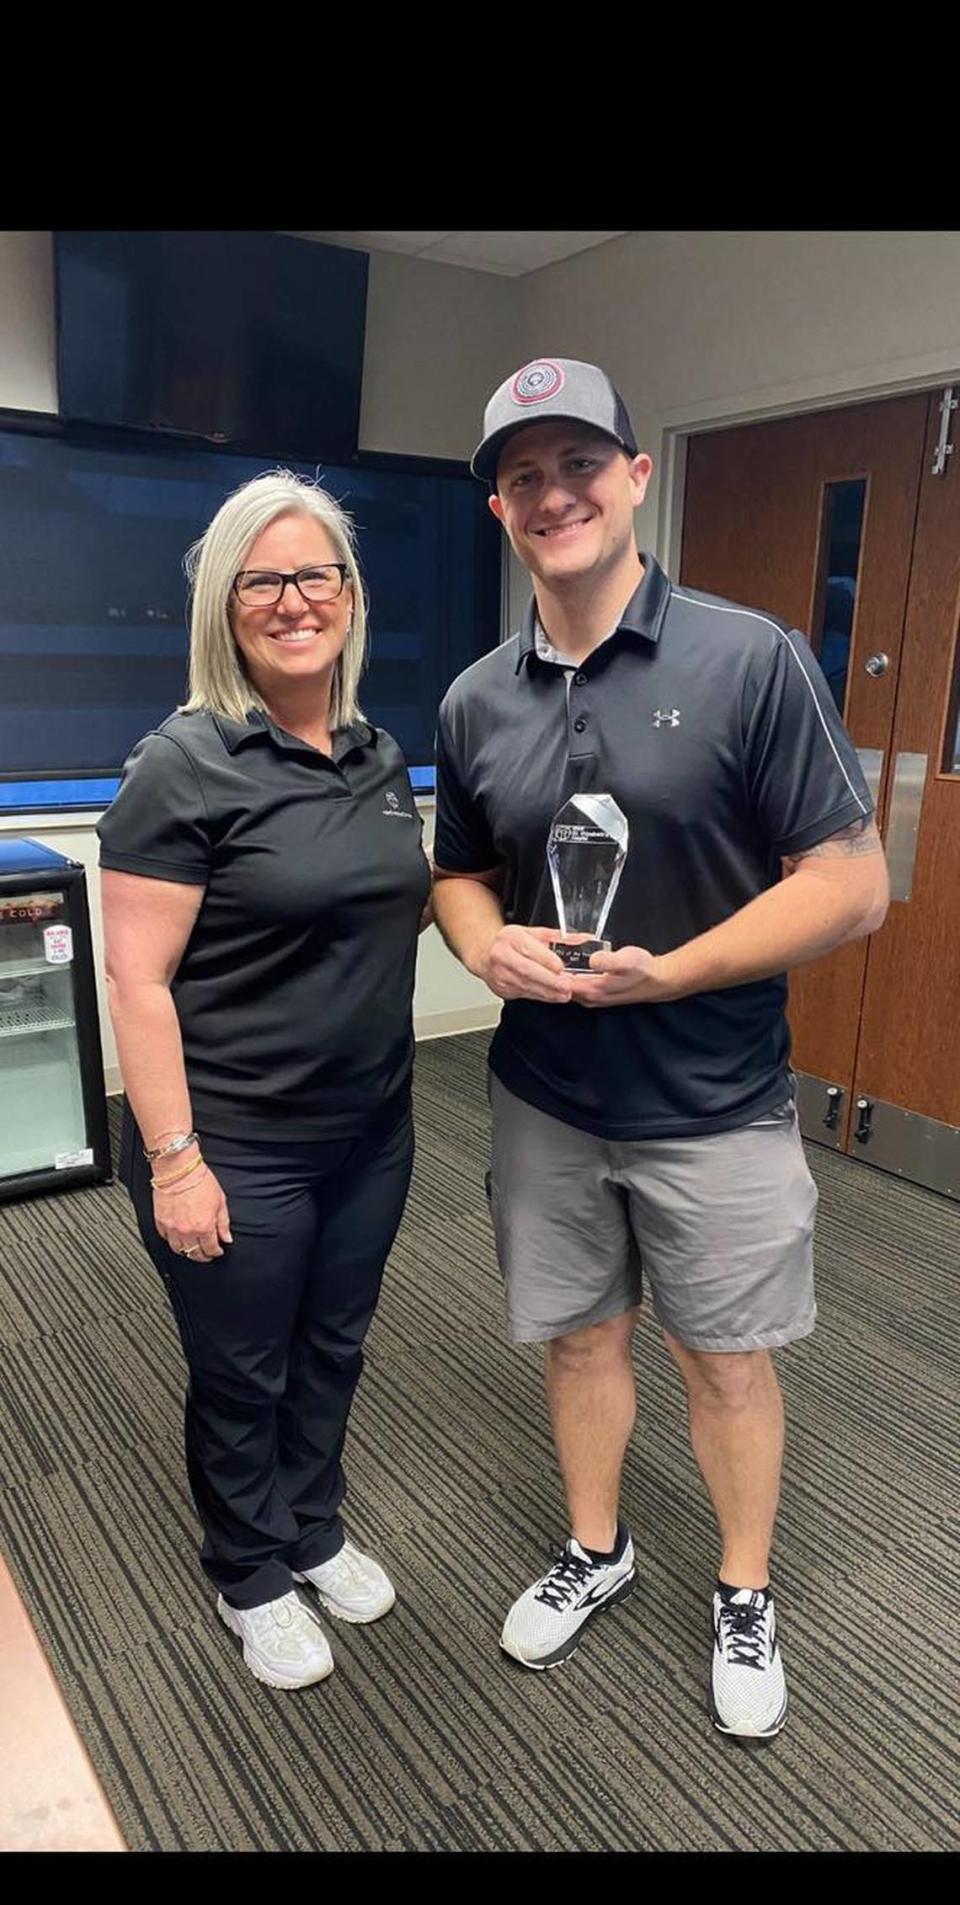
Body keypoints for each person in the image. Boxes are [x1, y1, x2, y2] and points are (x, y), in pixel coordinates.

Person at [432, 358, 889, 1739]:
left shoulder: (746, 656)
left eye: (581, 463)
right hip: (546, 1098)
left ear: (637, 478)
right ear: (503, 511)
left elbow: (853, 881)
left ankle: (743, 1588)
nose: (552, 493)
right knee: (579, 1344)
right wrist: (476, 943)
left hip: (715, 1097)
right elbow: (458, 871)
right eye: (524, 477)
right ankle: (597, 1545)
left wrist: (675, 971)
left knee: (727, 1360)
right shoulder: (475, 699)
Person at [99, 470, 431, 1691]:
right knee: (245, 1367)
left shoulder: (375, 751)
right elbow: (137, 986)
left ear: (350, 594)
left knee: (335, 1344)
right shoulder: (181, 767)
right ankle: (248, 1569)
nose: (296, 600)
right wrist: (176, 1162)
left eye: (318, 575)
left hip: (372, 1129)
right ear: (224, 606)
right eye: (264, 580)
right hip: (234, 1139)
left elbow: (379, 910)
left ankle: (311, 1524)